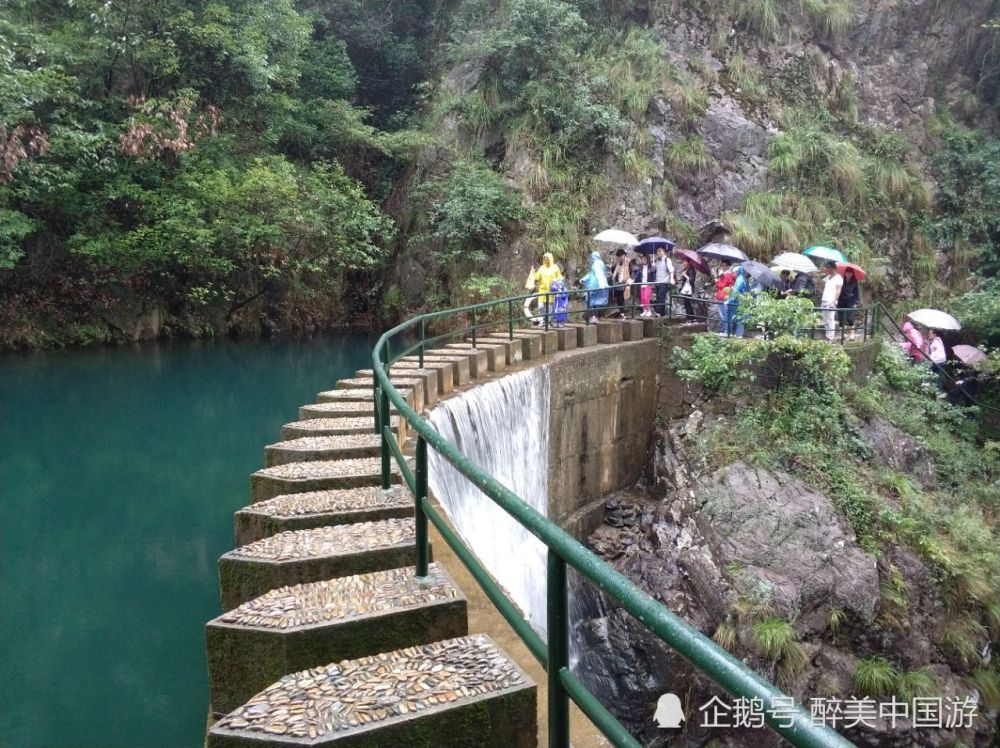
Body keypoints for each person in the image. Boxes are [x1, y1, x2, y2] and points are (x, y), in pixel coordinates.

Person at [580, 250, 609, 324]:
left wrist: (602, 284)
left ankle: (593, 316)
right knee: (594, 301)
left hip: (595, 285)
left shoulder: (596, 264)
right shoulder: (600, 263)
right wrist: (584, 278)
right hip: (596, 284)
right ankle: (595, 316)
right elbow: (592, 273)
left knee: (589, 299)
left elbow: (599, 274)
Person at [534, 252, 563, 325]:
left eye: (547, 259)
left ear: (551, 259)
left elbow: (560, 278)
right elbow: (537, 277)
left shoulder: (555, 268)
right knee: (541, 306)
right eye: (544, 259)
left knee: (550, 307)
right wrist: (534, 275)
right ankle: (543, 320)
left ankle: (549, 321)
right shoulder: (541, 268)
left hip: (551, 290)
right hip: (542, 290)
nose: (546, 261)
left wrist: (557, 283)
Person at [820, 260, 843, 342]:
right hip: (824, 299)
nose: (826, 269)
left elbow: (838, 290)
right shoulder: (828, 277)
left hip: (831, 300)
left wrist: (834, 301)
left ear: (833, 268)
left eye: (828, 268)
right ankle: (827, 335)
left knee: (830, 319)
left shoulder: (838, 277)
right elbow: (820, 283)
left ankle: (831, 337)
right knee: (825, 319)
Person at [725, 265, 749, 336]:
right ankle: (739, 333)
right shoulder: (744, 278)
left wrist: (728, 301)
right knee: (741, 318)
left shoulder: (739, 279)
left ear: (737, 272)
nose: (733, 274)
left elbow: (736, 292)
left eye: (734, 273)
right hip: (742, 301)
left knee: (734, 318)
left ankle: (732, 333)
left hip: (737, 302)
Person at [838, 267, 861, 341]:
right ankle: (842, 335)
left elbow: (857, 294)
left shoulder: (855, 282)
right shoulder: (841, 280)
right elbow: (838, 290)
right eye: (847, 272)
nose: (848, 274)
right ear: (845, 273)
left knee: (850, 318)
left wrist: (856, 303)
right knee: (841, 318)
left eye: (850, 273)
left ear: (852, 274)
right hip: (841, 301)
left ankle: (852, 334)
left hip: (850, 301)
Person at [715, 260, 736, 333]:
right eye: (722, 265)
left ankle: (726, 330)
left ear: (728, 266)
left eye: (724, 265)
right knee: (724, 313)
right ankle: (725, 329)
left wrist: (717, 281)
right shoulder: (726, 274)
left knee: (724, 314)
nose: (723, 267)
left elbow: (722, 285)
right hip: (724, 295)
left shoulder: (727, 274)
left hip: (723, 295)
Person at [653, 246, 674, 317]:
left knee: (661, 297)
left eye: (659, 251)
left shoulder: (667, 260)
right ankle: (663, 313)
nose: (658, 252)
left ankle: (658, 312)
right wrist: (653, 265)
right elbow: (655, 271)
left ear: (664, 251)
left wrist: (671, 279)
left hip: (664, 282)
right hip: (657, 281)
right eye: (657, 251)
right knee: (658, 297)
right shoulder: (657, 261)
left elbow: (671, 270)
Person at [610, 249, 631, 318]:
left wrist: (629, 279)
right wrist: (612, 262)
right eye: (618, 257)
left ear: (624, 255)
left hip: (624, 282)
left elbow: (631, 271)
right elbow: (613, 271)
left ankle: (622, 313)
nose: (619, 258)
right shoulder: (617, 263)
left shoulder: (628, 262)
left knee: (621, 298)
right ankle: (621, 312)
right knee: (618, 298)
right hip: (617, 282)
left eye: (620, 256)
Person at [677, 257, 698, 321]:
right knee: (686, 303)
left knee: (688, 302)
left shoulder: (692, 270)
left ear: (688, 263)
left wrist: (685, 275)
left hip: (689, 288)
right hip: (685, 288)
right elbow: (683, 279)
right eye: (683, 262)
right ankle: (689, 317)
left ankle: (691, 317)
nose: (683, 263)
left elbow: (692, 280)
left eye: (685, 262)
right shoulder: (685, 269)